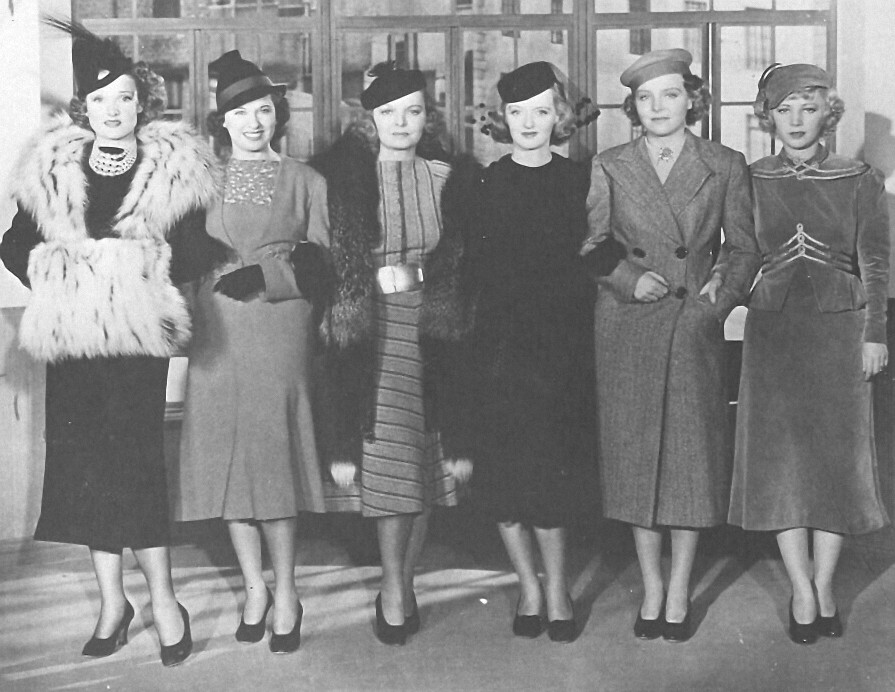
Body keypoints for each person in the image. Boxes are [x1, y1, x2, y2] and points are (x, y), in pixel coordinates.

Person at [0, 19, 219, 666]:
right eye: (100, 100)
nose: (113, 110)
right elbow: (14, 245)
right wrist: (65, 277)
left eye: (124, 98)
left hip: (135, 345)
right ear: (84, 107)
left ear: (141, 102)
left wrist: (141, 272)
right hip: (73, 344)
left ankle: (165, 601)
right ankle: (112, 604)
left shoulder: (172, 167)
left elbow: (195, 251)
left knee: (136, 468)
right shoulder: (52, 166)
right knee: (87, 472)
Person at [584, 49, 760, 642]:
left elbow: (745, 248)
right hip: (627, 325)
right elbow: (592, 245)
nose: (657, 107)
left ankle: (679, 588)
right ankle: (652, 586)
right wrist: (629, 278)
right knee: (634, 464)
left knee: (689, 462)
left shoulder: (725, 163)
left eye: (670, 94)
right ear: (633, 108)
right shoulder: (610, 164)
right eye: (644, 98)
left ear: (692, 99)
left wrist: (717, 298)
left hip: (691, 327)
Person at [173, 50, 329, 655]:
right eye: (241, 113)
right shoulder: (201, 180)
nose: (254, 122)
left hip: (278, 325)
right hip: (217, 329)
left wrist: (270, 276)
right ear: (224, 121)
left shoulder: (306, 180)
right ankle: (254, 588)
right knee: (228, 463)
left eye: (264, 110)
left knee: (272, 460)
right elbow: (182, 259)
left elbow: (324, 263)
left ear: (277, 115)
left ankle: (286, 591)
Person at [727, 64, 889, 644]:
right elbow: (740, 255)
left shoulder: (859, 178)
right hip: (773, 333)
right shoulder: (750, 178)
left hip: (841, 332)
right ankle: (800, 587)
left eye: (808, 107)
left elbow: (876, 262)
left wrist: (875, 333)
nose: (796, 120)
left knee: (834, 462)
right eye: (784, 108)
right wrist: (713, 303)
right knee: (781, 464)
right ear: (768, 117)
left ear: (828, 113)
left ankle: (824, 584)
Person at [311, 63, 472, 645]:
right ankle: (393, 585)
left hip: (432, 327)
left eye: (413, 111)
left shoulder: (448, 177)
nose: (401, 123)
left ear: (428, 117)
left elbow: (466, 262)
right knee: (390, 459)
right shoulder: (342, 182)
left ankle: (401, 581)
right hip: (372, 331)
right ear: (369, 120)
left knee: (425, 460)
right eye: (387, 113)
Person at [464, 61, 616, 643]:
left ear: (560, 117)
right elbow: (471, 271)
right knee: (505, 481)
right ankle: (527, 586)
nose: (529, 122)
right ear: (503, 119)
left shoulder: (581, 179)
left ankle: (557, 590)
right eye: (517, 112)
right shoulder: (484, 183)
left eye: (541, 111)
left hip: (560, 349)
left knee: (551, 479)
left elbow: (599, 252)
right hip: (498, 350)